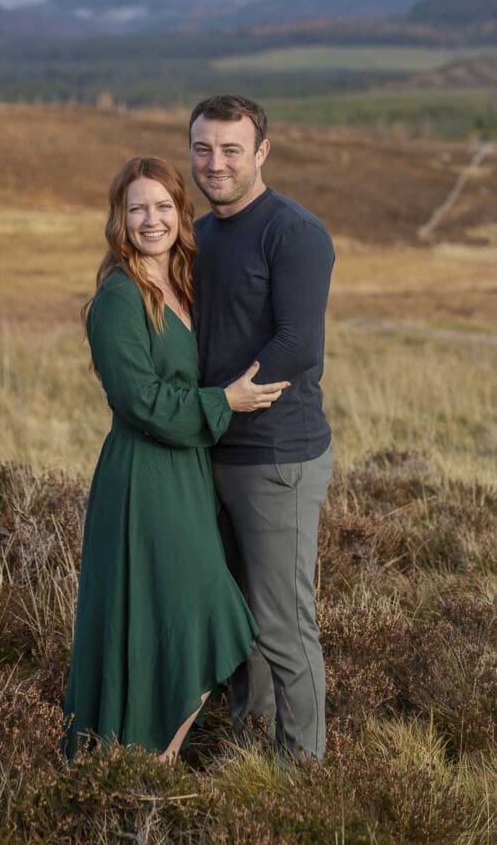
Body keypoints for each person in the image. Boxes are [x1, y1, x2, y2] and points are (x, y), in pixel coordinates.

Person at [63, 156, 290, 763]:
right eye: (137, 208)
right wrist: (226, 402)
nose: (151, 219)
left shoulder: (183, 284)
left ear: (180, 214)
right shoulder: (119, 297)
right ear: (119, 219)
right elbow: (140, 400)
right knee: (197, 606)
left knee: (191, 613)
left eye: (163, 206)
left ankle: (151, 761)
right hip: (144, 476)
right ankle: (143, 763)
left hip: (186, 474)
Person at [189, 95, 335, 764]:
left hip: (277, 456)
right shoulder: (203, 234)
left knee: (282, 624)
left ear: (261, 153)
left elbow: (298, 344)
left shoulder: (292, 231)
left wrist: (225, 397)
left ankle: (300, 773)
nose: (214, 163)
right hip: (213, 450)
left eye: (229, 150)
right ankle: (248, 743)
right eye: (202, 149)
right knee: (238, 621)